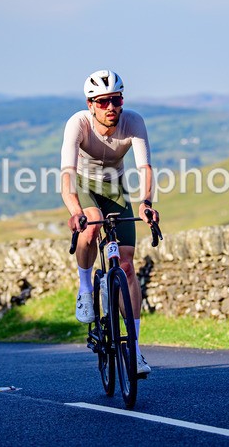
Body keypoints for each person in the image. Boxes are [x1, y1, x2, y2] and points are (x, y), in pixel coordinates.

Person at [61, 69, 160, 376]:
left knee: (127, 265)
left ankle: (135, 351)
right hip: (85, 187)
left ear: (122, 100)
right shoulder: (78, 123)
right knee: (91, 225)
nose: (110, 108)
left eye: (115, 100)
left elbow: (145, 167)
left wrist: (146, 203)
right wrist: (75, 209)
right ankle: (85, 289)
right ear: (91, 104)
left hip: (115, 188)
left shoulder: (134, 122)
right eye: (102, 102)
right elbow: (67, 175)